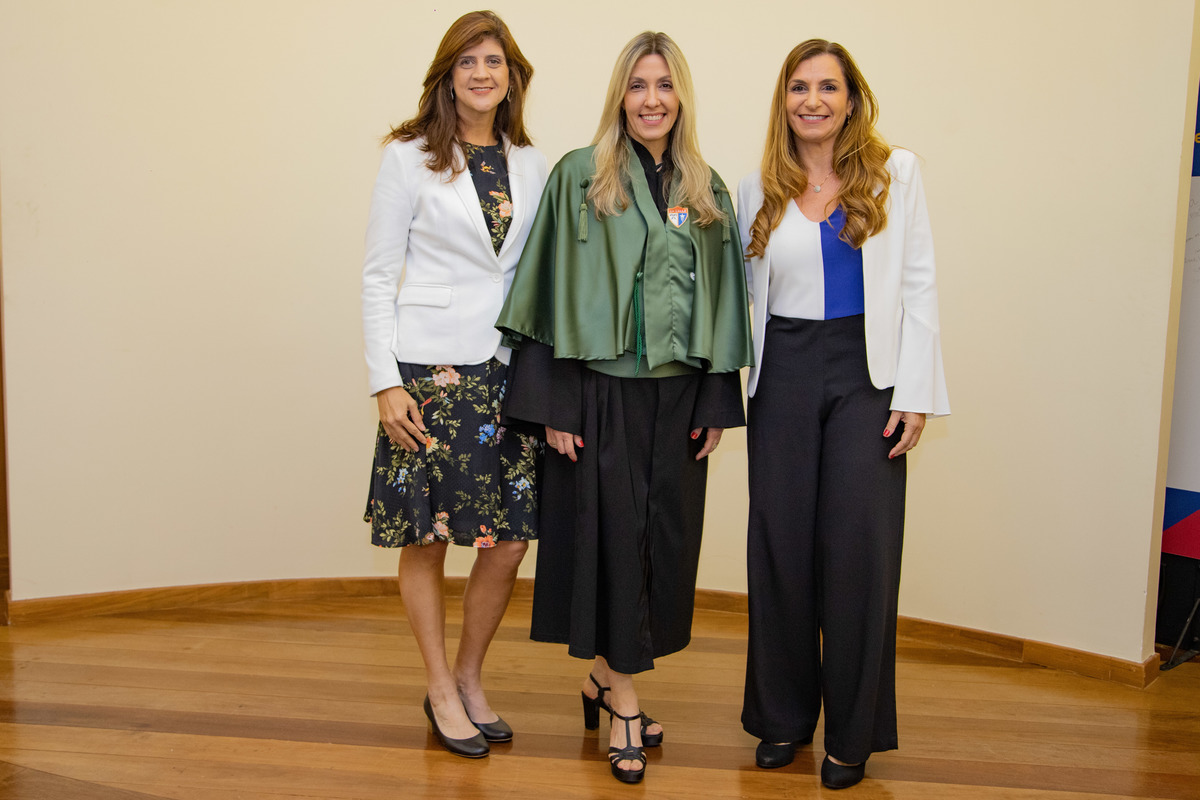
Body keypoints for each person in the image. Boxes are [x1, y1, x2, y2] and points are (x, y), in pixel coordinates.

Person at [495, 31, 753, 784]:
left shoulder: (705, 188)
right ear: (620, 95)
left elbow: (725, 302)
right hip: (597, 393)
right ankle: (625, 705)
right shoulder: (581, 175)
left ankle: (603, 679)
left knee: (657, 544)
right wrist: (555, 403)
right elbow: (544, 291)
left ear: (681, 97)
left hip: (679, 395)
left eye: (664, 85)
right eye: (638, 85)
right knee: (608, 542)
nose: (652, 99)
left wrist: (716, 396)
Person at [737, 39, 949, 789]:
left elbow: (918, 283)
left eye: (828, 87)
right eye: (799, 87)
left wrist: (915, 393)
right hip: (783, 375)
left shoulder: (897, 174)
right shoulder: (757, 188)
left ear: (851, 99)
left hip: (868, 377)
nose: (813, 100)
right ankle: (783, 718)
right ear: (784, 100)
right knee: (780, 549)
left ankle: (852, 735)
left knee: (859, 554)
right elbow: (741, 300)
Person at [360, 10, 546, 759]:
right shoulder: (408, 157)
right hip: (428, 374)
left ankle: (469, 675)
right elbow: (379, 275)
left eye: (493, 61)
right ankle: (439, 687)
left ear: (512, 76)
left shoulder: (530, 161)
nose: (481, 73)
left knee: (509, 541)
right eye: (467, 61)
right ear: (447, 74)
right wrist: (384, 382)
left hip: (510, 370)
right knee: (428, 535)